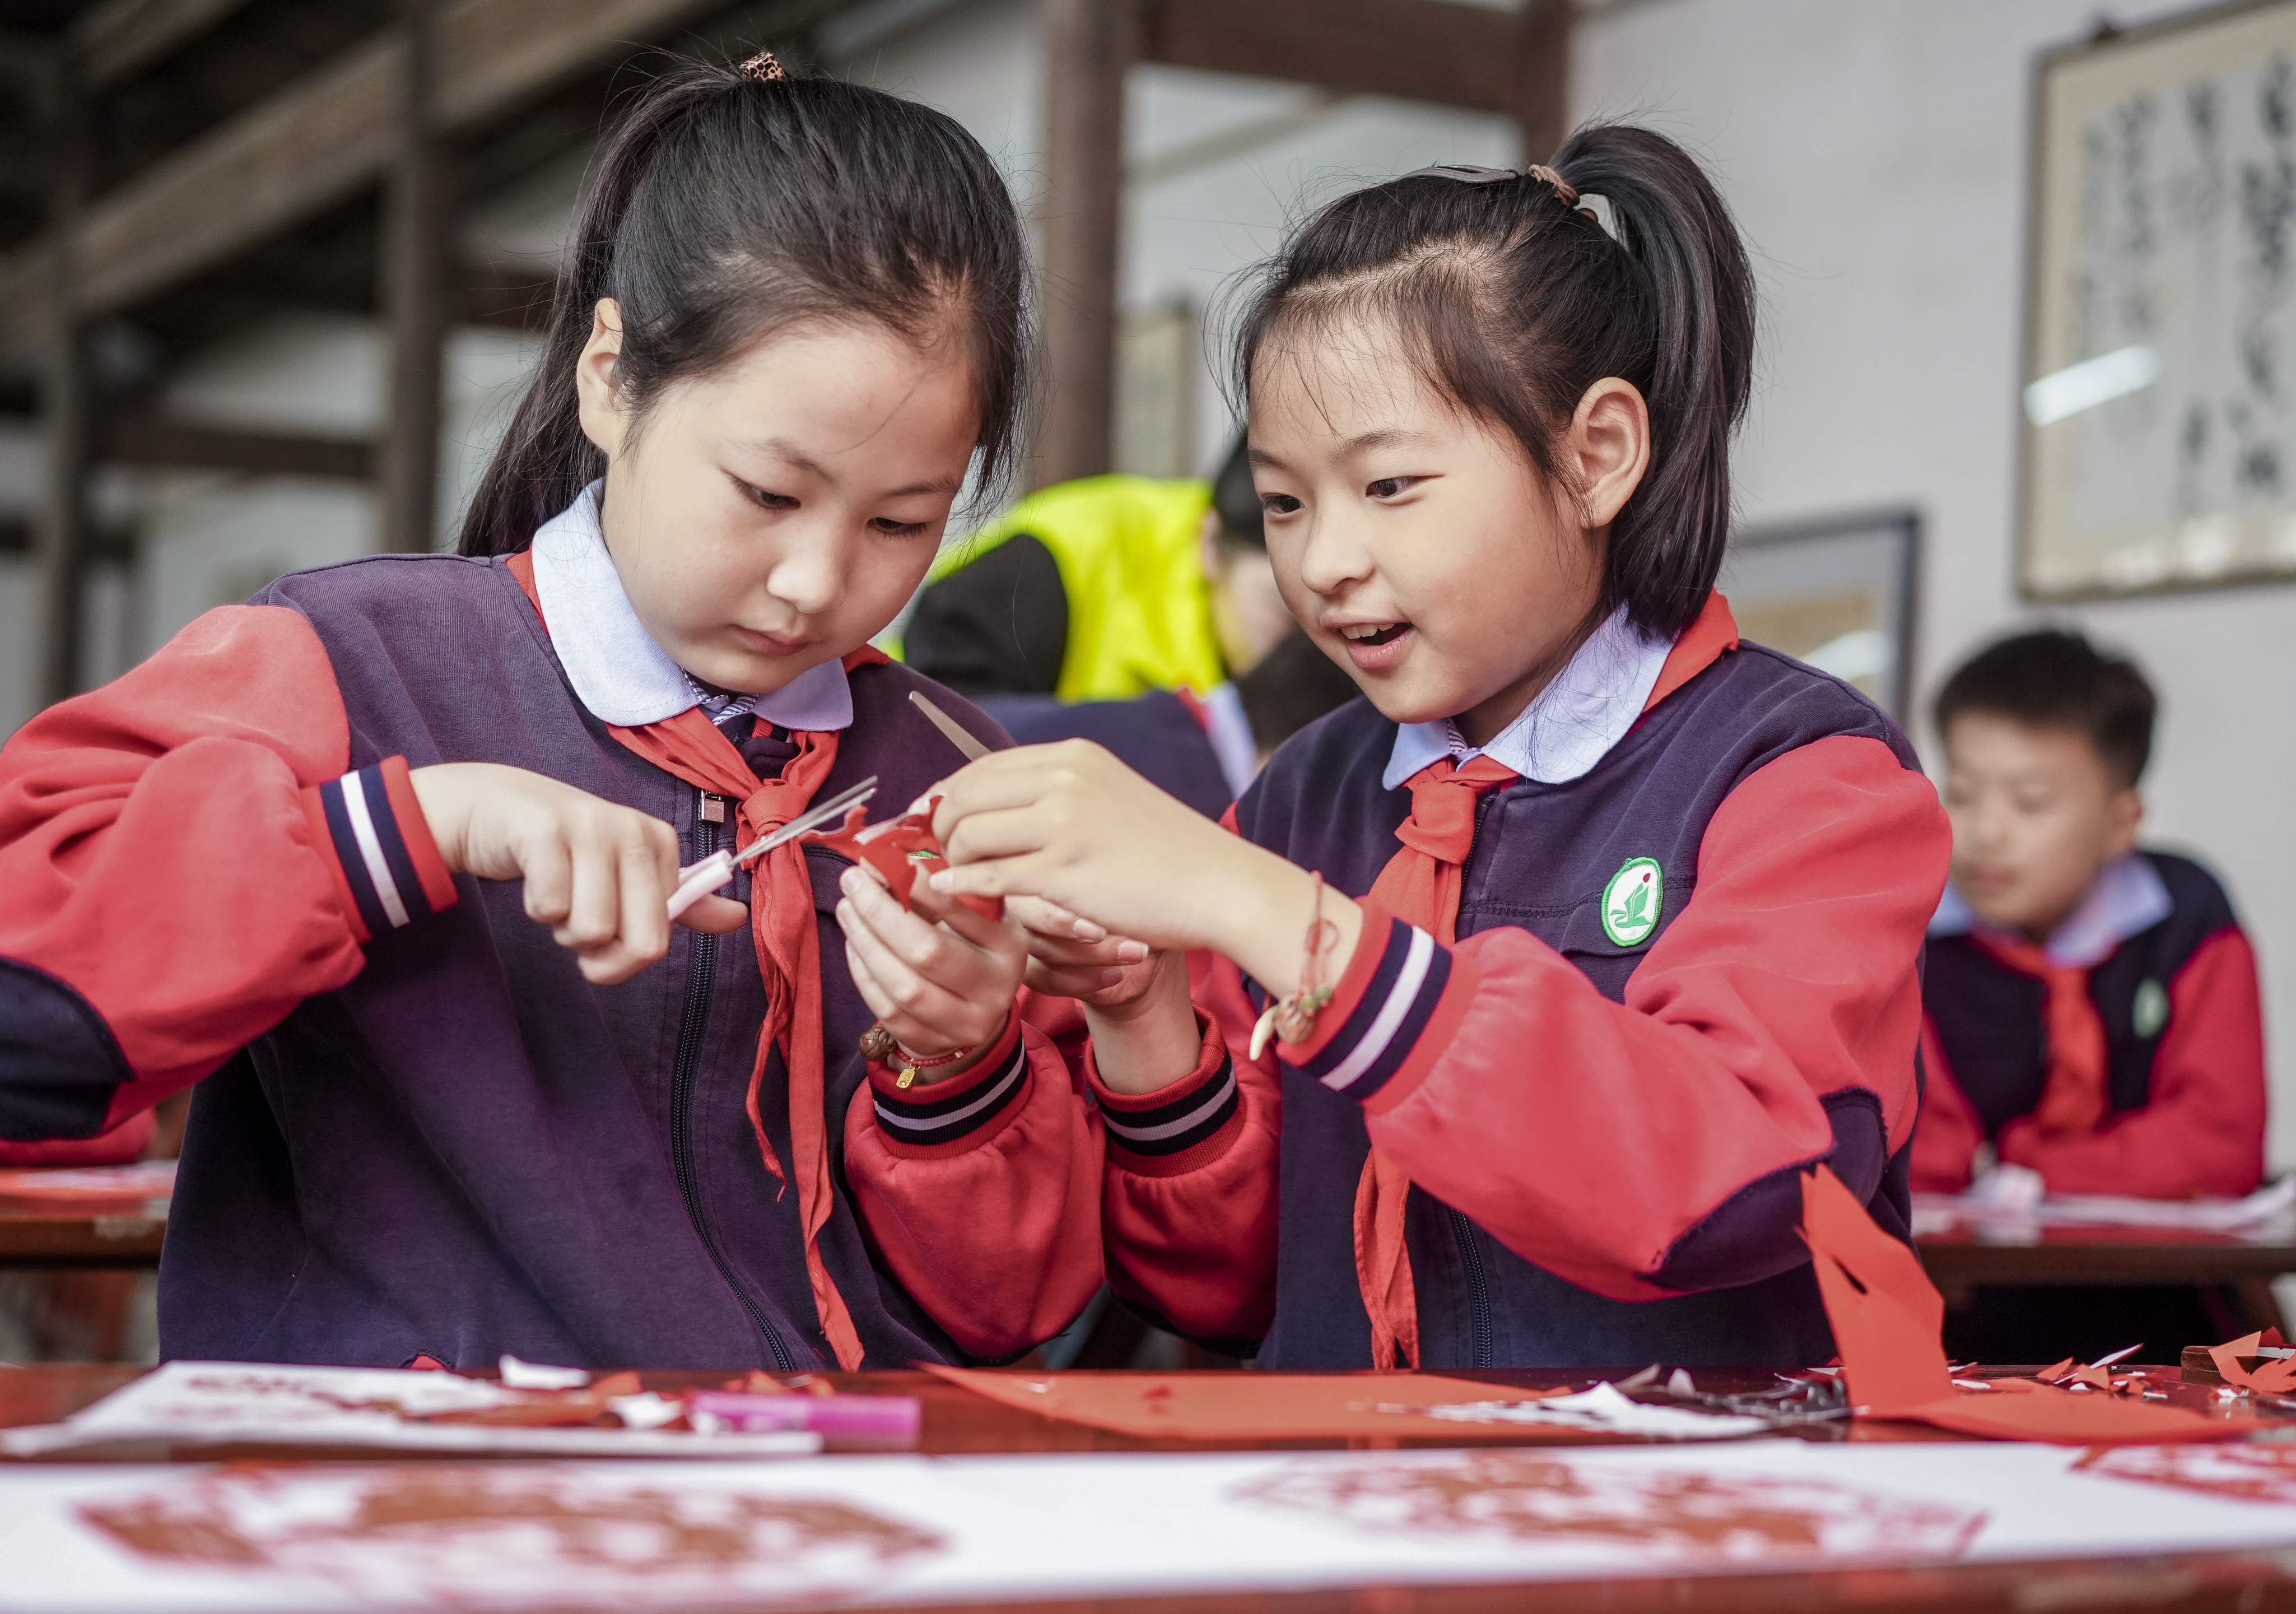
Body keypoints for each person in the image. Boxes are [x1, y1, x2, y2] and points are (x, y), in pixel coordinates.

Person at [0, 58, 1098, 1371]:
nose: (819, 581)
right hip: (387, 1513)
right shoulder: (350, 662)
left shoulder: (941, 767)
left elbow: (1004, 1314)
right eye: (765, 492)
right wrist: (405, 823)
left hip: (777, 1514)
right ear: (609, 374)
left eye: (900, 522)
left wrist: (959, 1065)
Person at [924, 134, 1950, 1369]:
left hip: (1684, 1535)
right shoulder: (1309, 789)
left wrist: (1274, 914)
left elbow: (1739, 1178)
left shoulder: (1803, 777)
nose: (1321, 562)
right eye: (1288, 501)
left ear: (1597, 455)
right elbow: (1225, 1289)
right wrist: (1145, 1019)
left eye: (1390, 486)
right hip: (1359, 1528)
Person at [1916, 629, 2266, 1361]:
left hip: (2170, 1314)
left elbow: (2217, 1142)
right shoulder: (1915, 930)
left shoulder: (2186, 915)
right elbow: (1919, 1154)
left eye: (2030, 802)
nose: (1985, 832)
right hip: (1966, 1316)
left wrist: (2019, 1164)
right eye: (1961, 792)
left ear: (2119, 823)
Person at [906, 439, 1357, 814]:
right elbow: (933, 739)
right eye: (1286, 616)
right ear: (1210, 542)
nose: (1312, 649)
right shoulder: (1057, 565)